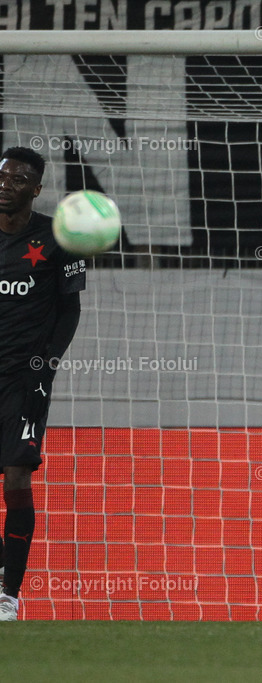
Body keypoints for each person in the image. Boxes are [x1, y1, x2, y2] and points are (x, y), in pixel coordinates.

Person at [0, 147, 86, 621]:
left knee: (16, 479)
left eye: (18, 180)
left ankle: (8, 596)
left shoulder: (58, 239)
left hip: (25, 378)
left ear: (35, 189)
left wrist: (45, 367)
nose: (5, 184)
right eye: (2, 175)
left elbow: (69, 311)